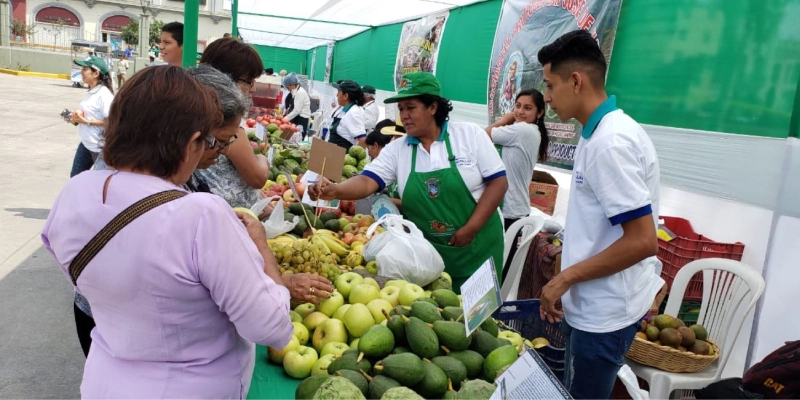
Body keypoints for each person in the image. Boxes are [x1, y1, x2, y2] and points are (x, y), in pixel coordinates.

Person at [41, 66, 295, 398]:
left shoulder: (75, 192)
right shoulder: (201, 215)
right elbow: (271, 327)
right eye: (209, 142)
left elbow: (86, 282)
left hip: (106, 383)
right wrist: (261, 247)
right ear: (191, 143)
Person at [536, 30, 664, 399]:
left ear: (575, 81)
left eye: (549, 85)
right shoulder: (597, 135)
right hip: (592, 301)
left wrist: (565, 278)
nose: (546, 96)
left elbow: (642, 241)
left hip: (604, 311)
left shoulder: (612, 142)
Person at [310, 72, 508, 291]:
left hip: (477, 247)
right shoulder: (398, 149)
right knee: (434, 315)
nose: (404, 115)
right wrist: (336, 190)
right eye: (401, 109)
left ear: (433, 107)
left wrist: (471, 228)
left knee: (479, 320)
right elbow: (367, 181)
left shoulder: (469, 135)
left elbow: (498, 183)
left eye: (410, 107)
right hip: (425, 254)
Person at [196, 37, 271, 208]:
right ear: (225, 78)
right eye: (249, 81)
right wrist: (262, 159)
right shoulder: (226, 125)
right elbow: (257, 177)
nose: (253, 88)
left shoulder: (201, 112)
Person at [484, 89, 549, 281]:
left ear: (540, 113)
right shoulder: (530, 131)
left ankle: (494, 309)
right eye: (517, 106)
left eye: (527, 108)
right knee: (498, 267)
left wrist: (505, 119)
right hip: (512, 209)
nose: (520, 112)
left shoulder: (524, 130)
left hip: (510, 211)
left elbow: (484, 135)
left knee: (495, 269)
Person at [68, 56, 114, 178]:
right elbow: (89, 113)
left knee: (98, 184)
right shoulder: (90, 92)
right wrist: (76, 116)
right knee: (75, 179)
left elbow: (111, 121)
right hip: (86, 143)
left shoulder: (104, 94)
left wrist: (87, 121)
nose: (81, 72)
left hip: (100, 148)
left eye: (85, 69)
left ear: (95, 73)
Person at [365, 119, 404, 207]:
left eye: (397, 137)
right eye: (393, 136)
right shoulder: (393, 162)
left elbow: (415, 203)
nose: (392, 140)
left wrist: (385, 200)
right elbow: (393, 189)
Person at [328, 79, 366, 149]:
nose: (336, 95)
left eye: (339, 92)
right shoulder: (343, 108)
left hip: (344, 156)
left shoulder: (354, 112)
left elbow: (362, 140)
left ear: (345, 96)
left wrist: (356, 158)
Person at [283, 72, 311, 140]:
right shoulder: (295, 91)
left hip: (301, 120)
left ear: (292, 84)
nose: (287, 89)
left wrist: (284, 119)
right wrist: (289, 109)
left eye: (288, 87)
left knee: (296, 140)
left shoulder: (300, 92)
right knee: (286, 138)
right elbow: (295, 104)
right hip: (296, 118)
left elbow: (297, 111)